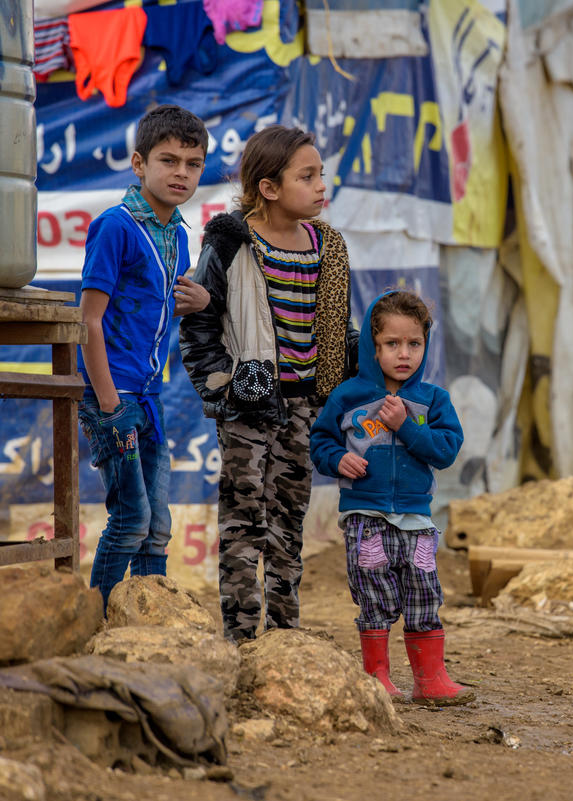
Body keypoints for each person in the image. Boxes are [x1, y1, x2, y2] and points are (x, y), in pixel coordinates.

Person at [180, 125, 354, 642]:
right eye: (308, 176)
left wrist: (344, 390)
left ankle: (285, 637)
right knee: (243, 520)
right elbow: (199, 326)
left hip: (306, 407)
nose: (322, 185)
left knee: (288, 519)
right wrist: (224, 390)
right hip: (249, 403)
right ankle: (240, 637)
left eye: (321, 173)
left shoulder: (328, 246)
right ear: (269, 188)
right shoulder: (232, 240)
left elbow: (339, 332)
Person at [310, 289, 474, 706]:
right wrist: (337, 459)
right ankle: (377, 678)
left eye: (414, 343)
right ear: (372, 345)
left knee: (423, 596)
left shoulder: (434, 401)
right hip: (367, 520)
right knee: (375, 596)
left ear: (426, 344)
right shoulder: (348, 397)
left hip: (417, 524)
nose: (404, 354)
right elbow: (321, 442)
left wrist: (406, 425)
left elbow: (446, 450)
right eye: (391, 344)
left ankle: (430, 679)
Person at [77, 104, 211, 610]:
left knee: (157, 525)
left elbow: (164, 309)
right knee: (130, 517)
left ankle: (150, 617)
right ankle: (97, 618)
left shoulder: (177, 234)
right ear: (138, 164)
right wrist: (111, 406)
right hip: (113, 396)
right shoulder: (115, 227)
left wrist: (203, 301)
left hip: (147, 393)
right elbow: (88, 321)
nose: (181, 172)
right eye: (168, 160)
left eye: (193, 163)